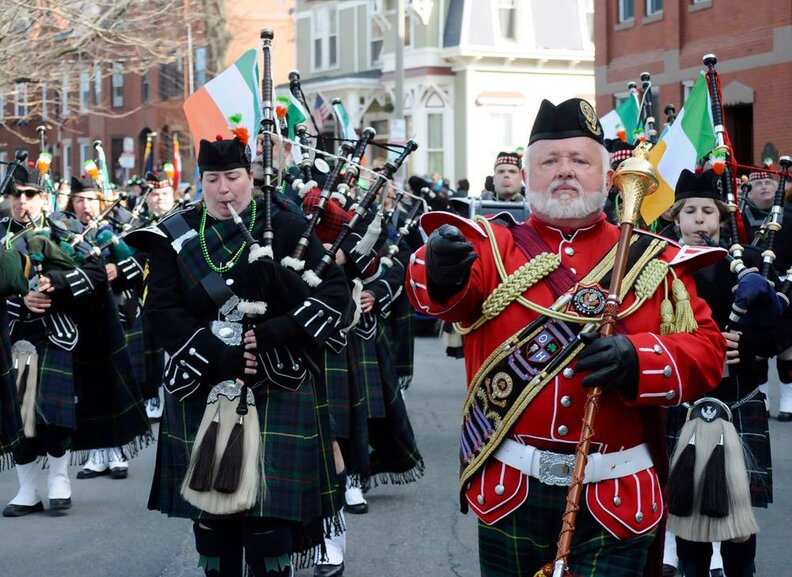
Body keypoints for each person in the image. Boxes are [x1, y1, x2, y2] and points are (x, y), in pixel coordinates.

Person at [406, 98, 727, 577]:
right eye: (549, 161)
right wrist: (439, 270)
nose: (564, 171)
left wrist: (637, 359)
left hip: (619, 496)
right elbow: (446, 295)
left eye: (580, 160)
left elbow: (708, 351)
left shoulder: (654, 260)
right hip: (510, 492)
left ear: (606, 177)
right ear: (527, 175)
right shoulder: (492, 245)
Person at [126, 133, 351, 577]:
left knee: (270, 526)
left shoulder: (285, 227)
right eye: (212, 178)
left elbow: (335, 295)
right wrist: (214, 355)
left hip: (277, 381)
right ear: (201, 181)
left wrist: (277, 331)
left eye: (233, 177)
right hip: (202, 384)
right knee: (212, 523)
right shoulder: (174, 234)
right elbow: (161, 311)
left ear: (251, 177)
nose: (223, 188)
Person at [662, 169, 790, 577]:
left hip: (740, 395)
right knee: (685, 505)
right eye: (690, 212)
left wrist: (750, 343)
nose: (699, 219)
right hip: (684, 399)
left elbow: (786, 324)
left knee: (738, 513)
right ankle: (690, 569)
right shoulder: (660, 267)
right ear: (676, 219)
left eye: (707, 212)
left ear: (720, 217)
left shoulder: (750, 263)